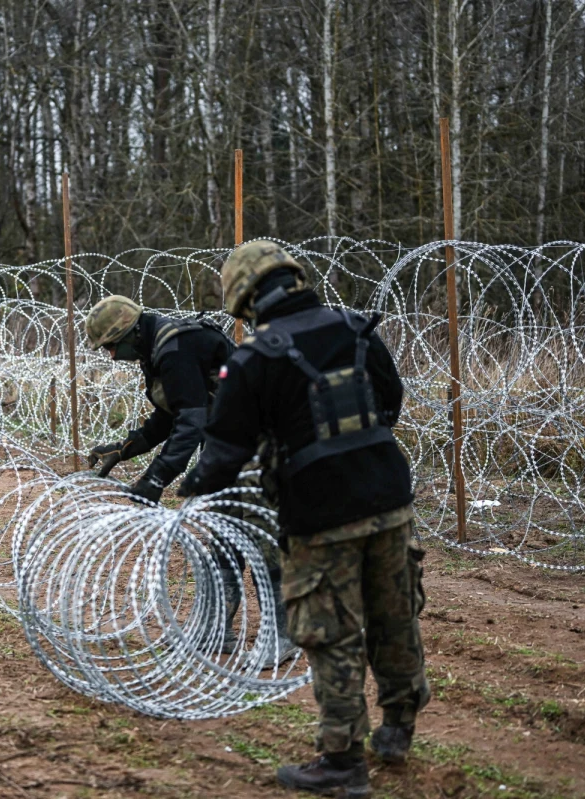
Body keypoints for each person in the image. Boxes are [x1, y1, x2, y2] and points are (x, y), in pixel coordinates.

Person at [179, 241, 429, 797]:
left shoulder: (254, 359)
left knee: (331, 633)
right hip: (388, 495)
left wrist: (192, 495)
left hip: (319, 513)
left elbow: (224, 455)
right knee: (394, 616)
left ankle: (342, 762)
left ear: (244, 299)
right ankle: (398, 730)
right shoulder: (355, 327)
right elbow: (390, 399)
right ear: (294, 279)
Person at [84, 296, 296, 663]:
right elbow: (172, 415)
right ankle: (215, 629)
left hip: (261, 438)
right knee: (225, 531)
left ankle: (283, 635)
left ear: (131, 333)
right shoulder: (159, 346)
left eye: (112, 346)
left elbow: (191, 422)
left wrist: (157, 478)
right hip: (231, 440)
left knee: (260, 536)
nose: (112, 356)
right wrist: (124, 449)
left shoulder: (173, 349)